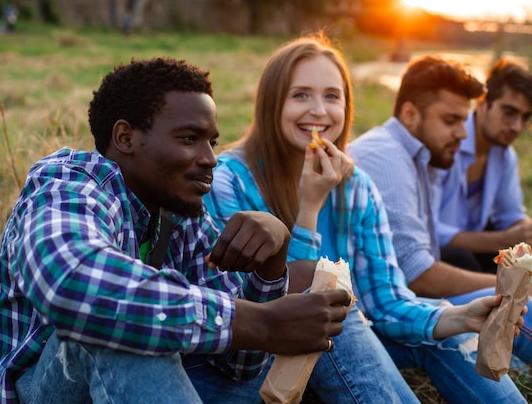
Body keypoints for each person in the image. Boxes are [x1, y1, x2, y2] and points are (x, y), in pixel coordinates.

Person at [0, 57, 352, 404]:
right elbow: (71, 284)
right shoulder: (69, 186)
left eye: (211, 142)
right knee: (116, 331)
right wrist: (259, 320)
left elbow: (239, 367)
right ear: (125, 138)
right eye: (189, 139)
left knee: (321, 297)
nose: (210, 159)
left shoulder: (180, 213)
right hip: (42, 390)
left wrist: (273, 262)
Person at [203, 34, 527, 404]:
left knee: (445, 324)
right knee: (326, 299)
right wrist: (310, 207)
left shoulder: (357, 186)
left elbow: (387, 300)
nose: (319, 112)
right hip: (259, 359)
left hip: (355, 344)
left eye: (332, 96)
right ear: (271, 103)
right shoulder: (228, 180)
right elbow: (266, 309)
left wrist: (461, 316)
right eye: (301, 95)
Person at [348, 55, 532, 365]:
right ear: (410, 114)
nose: (463, 133)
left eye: (463, 119)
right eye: (451, 121)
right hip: (384, 314)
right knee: (515, 299)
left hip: (407, 299)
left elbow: (509, 215)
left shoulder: (424, 154)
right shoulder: (389, 158)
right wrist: (510, 285)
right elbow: (418, 273)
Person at [436, 58, 532, 274]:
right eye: (509, 113)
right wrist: (501, 239)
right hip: (436, 255)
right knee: (461, 256)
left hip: (473, 251)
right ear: (481, 101)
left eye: (525, 117)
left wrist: (526, 231)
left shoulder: (505, 155)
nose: (517, 126)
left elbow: (510, 215)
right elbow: (429, 230)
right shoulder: (444, 143)